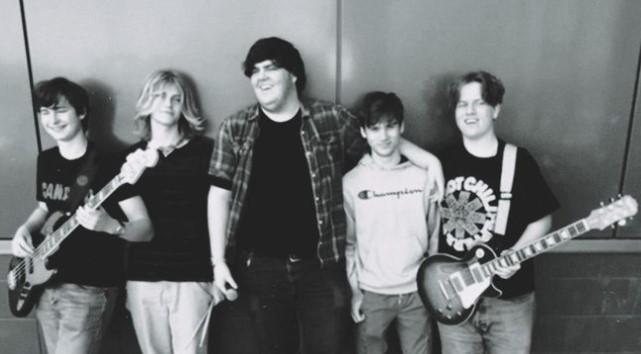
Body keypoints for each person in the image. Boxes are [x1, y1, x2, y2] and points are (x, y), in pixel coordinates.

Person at [207, 37, 443, 354]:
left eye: (271, 68)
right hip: (260, 268)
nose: (261, 77)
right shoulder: (236, 128)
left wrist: (428, 160)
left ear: (293, 75)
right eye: (254, 71)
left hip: (320, 267)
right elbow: (218, 196)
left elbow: (379, 141)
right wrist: (218, 262)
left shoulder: (330, 119)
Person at [11, 77, 153, 354]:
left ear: (82, 112)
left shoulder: (111, 166)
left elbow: (145, 228)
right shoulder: (47, 160)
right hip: (45, 285)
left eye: (60, 110)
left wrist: (110, 226)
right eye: (45, 112)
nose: (52, 119)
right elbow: (45, 208)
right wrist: (24, 230)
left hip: (88, 288)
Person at [433, 71, 559, 354]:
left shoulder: (519, 161)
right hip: (454, 294)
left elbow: (542, 218)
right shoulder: (441, 161)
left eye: (479, 103)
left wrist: (515, 252)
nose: (470, 111)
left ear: (496, 109)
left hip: (510, 301)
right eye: (462, 104)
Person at [122, 70, 219, 354]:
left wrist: (216, 272)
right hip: (143, 275)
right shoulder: (130, 158)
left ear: (185, 106)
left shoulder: (206, 151)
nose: (168, 104)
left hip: (192, 275)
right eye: (161, 96)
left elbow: (221, 215)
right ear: (147, 101)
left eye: (177, 99)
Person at [344, 91, 439, 354]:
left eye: (390, 126)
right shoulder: (351, 183)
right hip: (372, 292)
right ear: (363, 132)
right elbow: (350, 244)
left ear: (402, 127)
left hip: (417, 291)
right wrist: (355, 292)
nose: (383, 136)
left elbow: (434, 237)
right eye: (374, 128)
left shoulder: (423, 178)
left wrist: (430, 285)